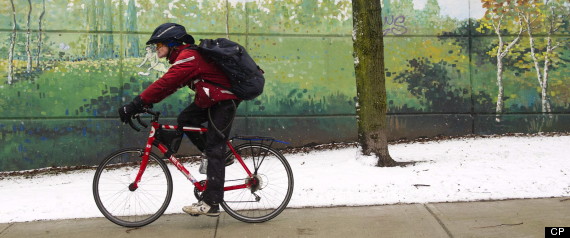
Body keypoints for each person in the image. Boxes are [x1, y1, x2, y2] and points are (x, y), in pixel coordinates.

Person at [118, 23, 240, 217]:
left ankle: (211, 202)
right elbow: (170, 87)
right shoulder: (184, 57)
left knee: (214, 148)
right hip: (212, 99)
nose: (157, 49)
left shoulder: (189, 57)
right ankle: (220, 155)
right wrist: (144, 104)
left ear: (171, 43)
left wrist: (136, 103)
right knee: (186, 119)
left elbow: (166, 82)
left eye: (159, 45)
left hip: (223, 101)